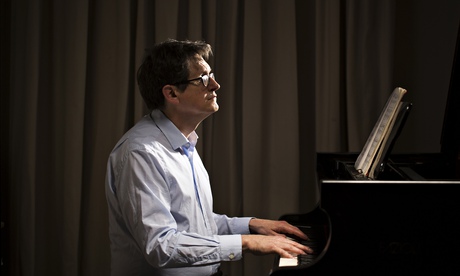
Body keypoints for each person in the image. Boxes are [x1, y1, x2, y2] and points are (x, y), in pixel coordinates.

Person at [105, 39, 312, 276]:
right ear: (171, 93)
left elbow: (193, 223)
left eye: (211, 75)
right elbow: (160, 246)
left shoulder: (184, 141)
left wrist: (251, 225)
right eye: (203, 79)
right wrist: (245, 242)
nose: (215, 85)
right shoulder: (141, 153)